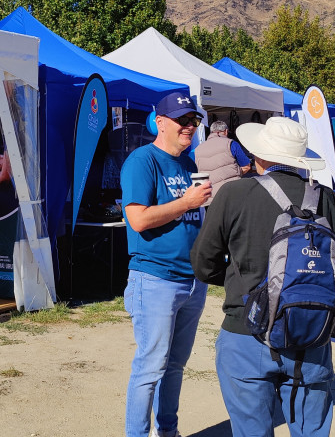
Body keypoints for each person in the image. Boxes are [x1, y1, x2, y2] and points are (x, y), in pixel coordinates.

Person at [191, 116, 335, 437]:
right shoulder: (327, 199)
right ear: (299, 160)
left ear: (260, 155)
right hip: (312, 334)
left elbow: (203, 264)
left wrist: (237, 282)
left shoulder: (233, 195)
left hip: (245, 331)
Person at [119, 91, 211, 437]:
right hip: (156, 279)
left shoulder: (189, 164)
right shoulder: (142, 161)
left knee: (175, 366)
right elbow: (138, 220)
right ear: (160, 122)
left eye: (194, 120)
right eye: (182, 120)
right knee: (150, 367)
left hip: (192, 282)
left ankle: (167, 431)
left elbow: (193, 218)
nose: (190, 126)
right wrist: (187, 203)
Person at [195, 120, 250, 200]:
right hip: (230, 194)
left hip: (207, 197)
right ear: (226, 131)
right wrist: (235, 172)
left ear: (211, 132)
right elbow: (247, 166)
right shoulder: (231, 144)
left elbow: (196, 173)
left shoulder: (197, 149)